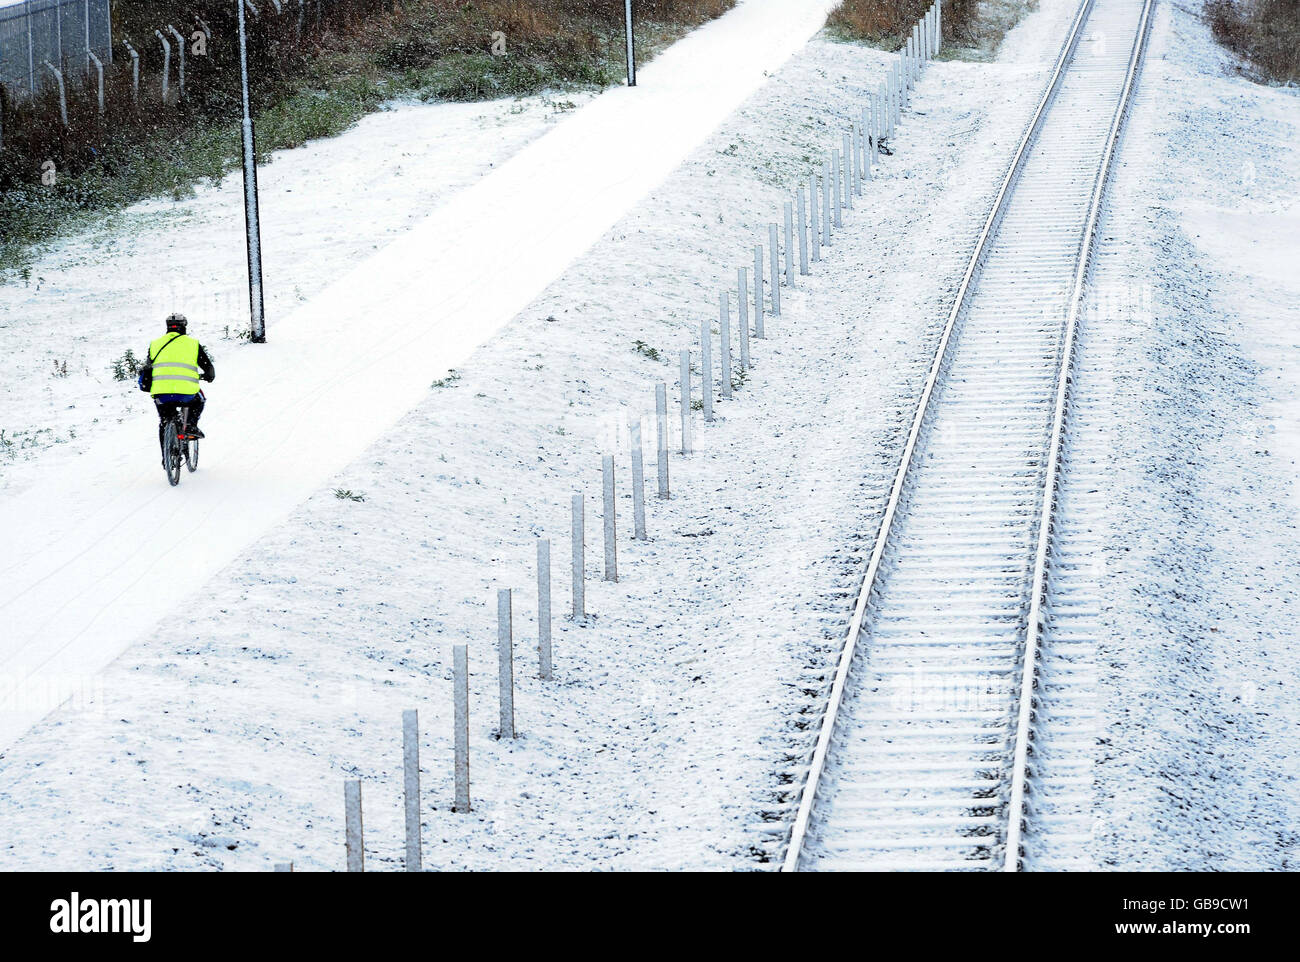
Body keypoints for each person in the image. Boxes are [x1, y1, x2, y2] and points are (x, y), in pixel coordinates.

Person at [139, 313, 215, 459]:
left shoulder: (155, 344)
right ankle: (191, 425)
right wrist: (208, 376)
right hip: (186, 392)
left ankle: (166, 458)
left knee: (164, 421)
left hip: (161, 393)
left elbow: (149, 366)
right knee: (200, 399)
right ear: (184, 326)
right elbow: (209, 369)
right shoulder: (192, 344)